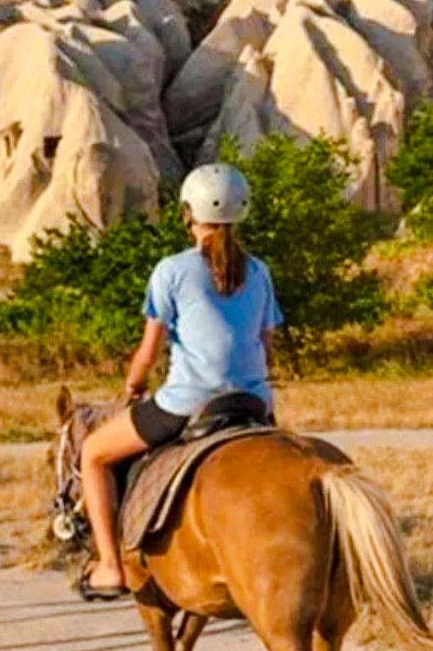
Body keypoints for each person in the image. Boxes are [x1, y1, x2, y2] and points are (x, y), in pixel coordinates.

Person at [76, 163, 283, 601]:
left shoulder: (171, 270)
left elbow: (147, 354)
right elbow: (266, 346)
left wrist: (133, 385)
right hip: (252, 400)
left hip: (189, 401)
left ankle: (110, 566)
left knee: (92, 453)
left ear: (188, 214)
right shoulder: (260, 271)